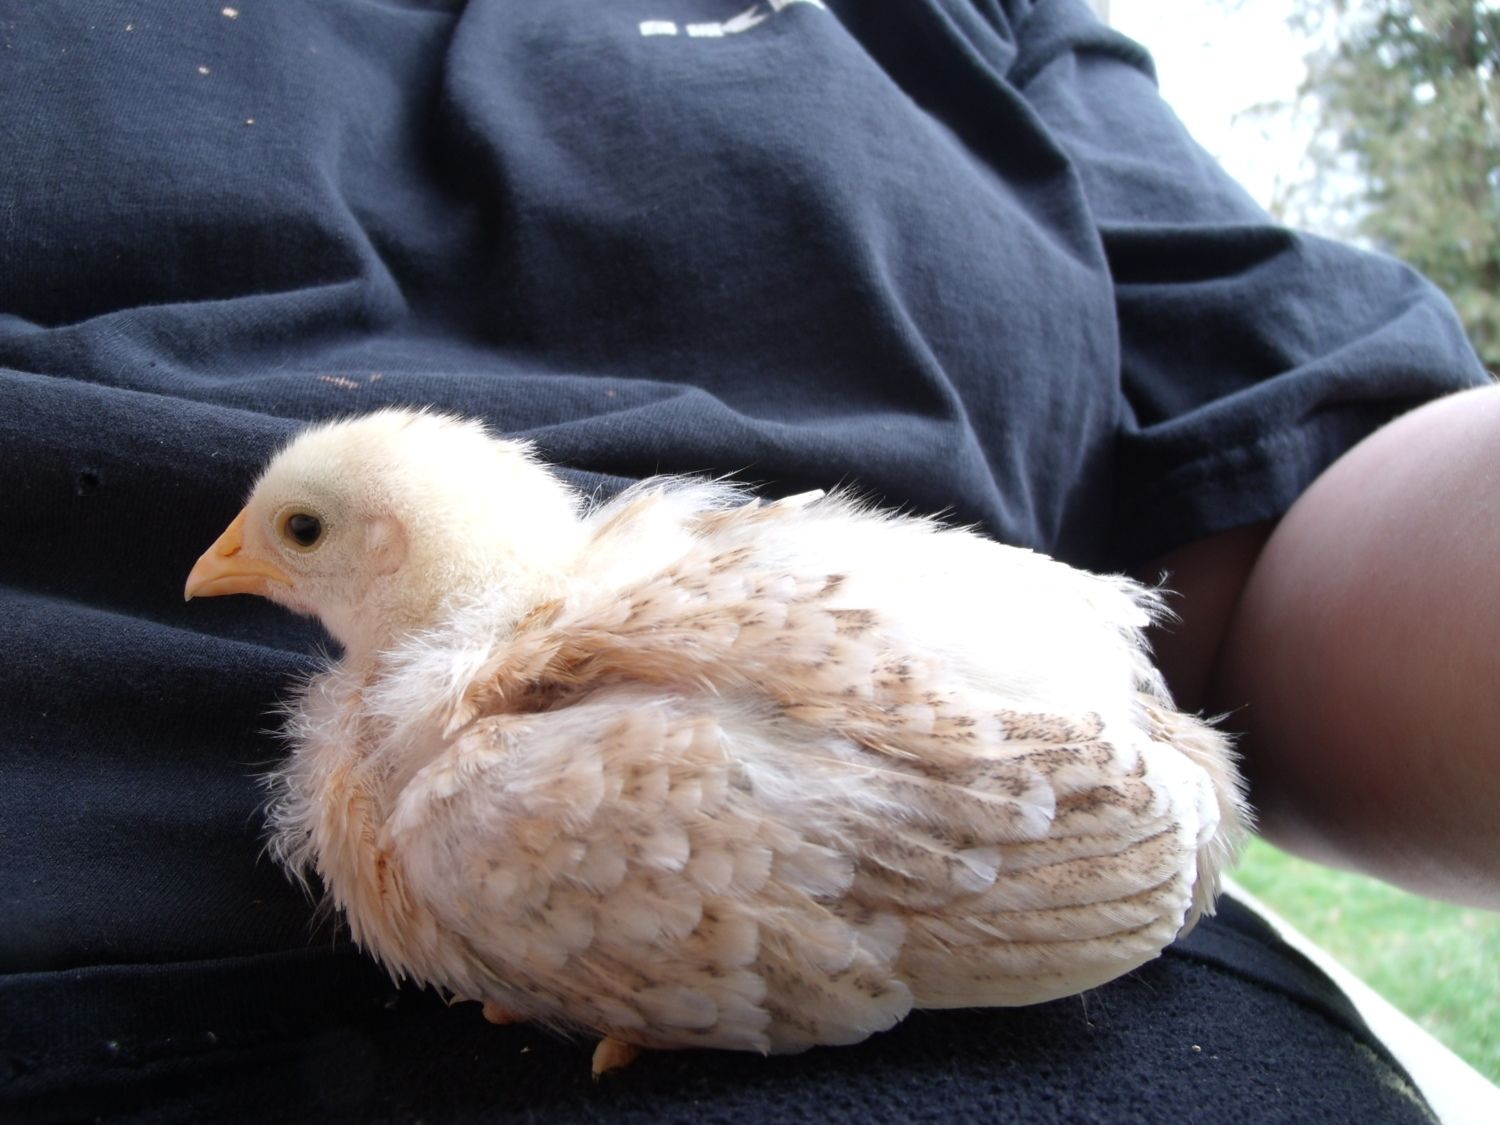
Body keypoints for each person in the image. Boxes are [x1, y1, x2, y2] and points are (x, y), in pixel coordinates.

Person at [1, 1, 1491, 1120]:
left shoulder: (493, 800)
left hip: (1013, 952)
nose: (230, 557)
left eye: (298, 536)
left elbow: (1298, 443)